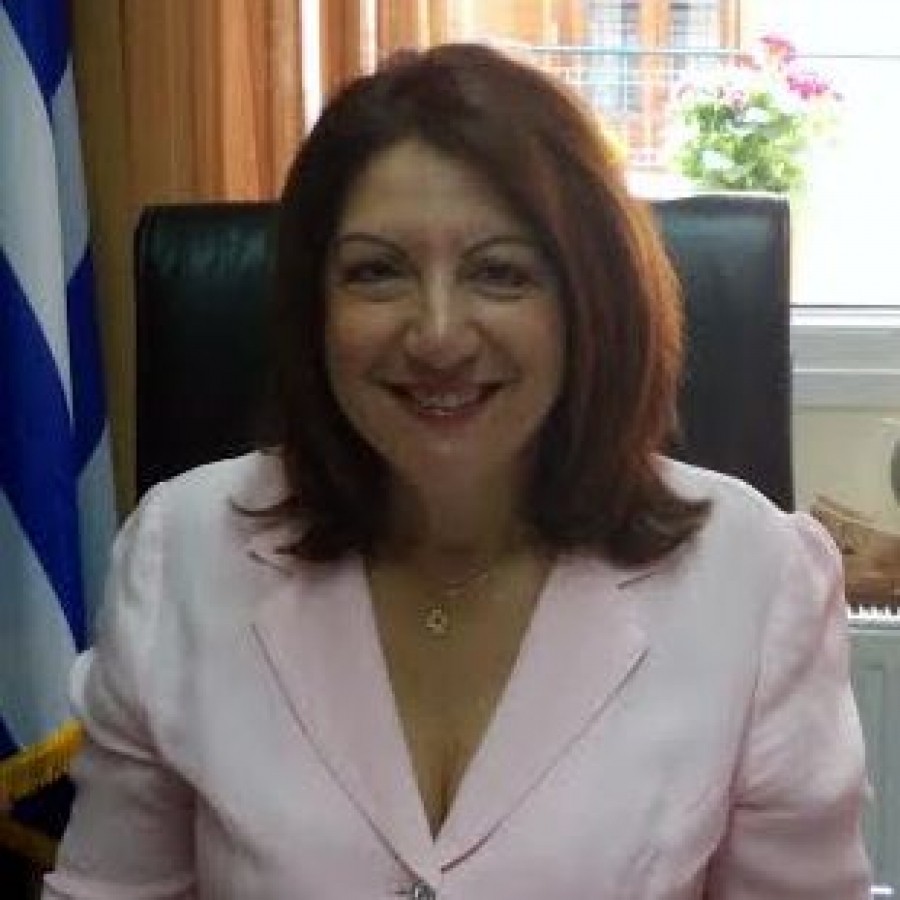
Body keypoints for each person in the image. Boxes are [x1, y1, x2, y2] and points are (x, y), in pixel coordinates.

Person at [44, 43, 871, 899]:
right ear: (315, 307)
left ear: (588, 302)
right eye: (376, 272)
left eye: (499, 273)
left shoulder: (755, 579)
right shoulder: (179, 553)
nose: (438, 335)